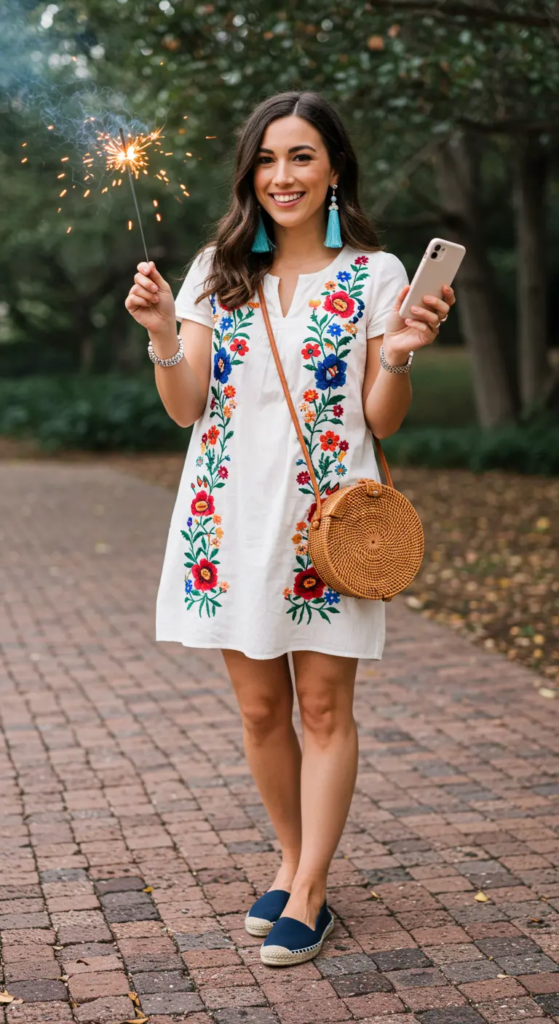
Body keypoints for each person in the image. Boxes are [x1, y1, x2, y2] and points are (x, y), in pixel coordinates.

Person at [125, 90, 455, 967]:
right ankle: (288, 855)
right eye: (268, 159)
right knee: (261, 708)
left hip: (327, 523)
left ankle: (310, 888)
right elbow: (185, 405)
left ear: (334, 169)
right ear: (250, 172)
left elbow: (382, 422)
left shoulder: (376, 275)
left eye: (302, 157)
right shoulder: (214, 270)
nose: (283, 176)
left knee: (321, 705)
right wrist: (163, 333)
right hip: (226, 512)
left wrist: (395, 356)